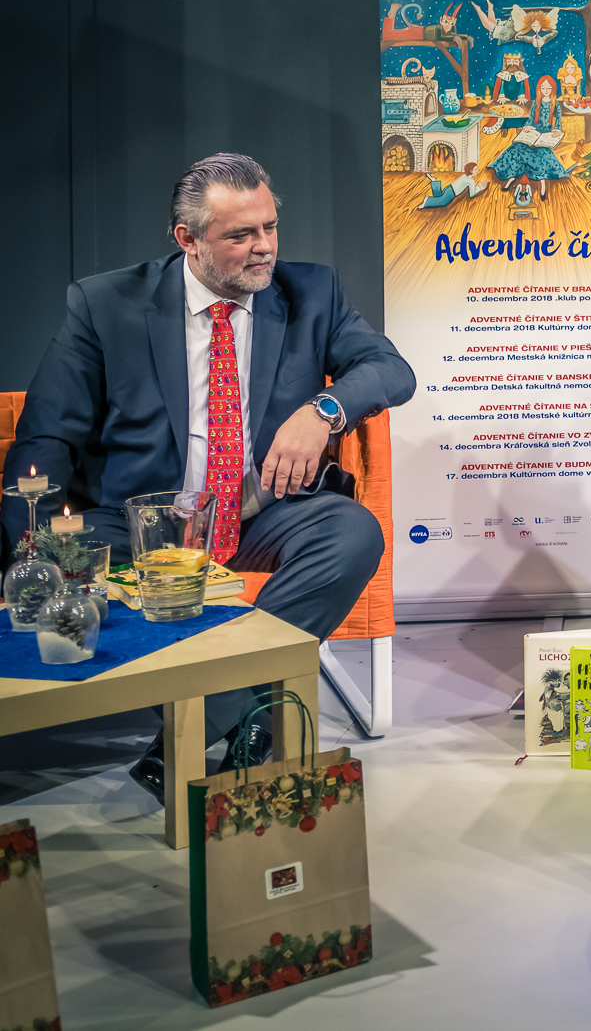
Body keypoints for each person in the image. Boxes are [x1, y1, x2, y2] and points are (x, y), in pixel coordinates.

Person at [1, 153, 415, 805]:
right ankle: (252, 721)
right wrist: (35, 543)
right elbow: (47, 434)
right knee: (57, 557)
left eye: (270, 227)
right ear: (187, 239)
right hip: (138, 521)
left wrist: (324, 411)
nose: (265, 247)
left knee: (352, 533)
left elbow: (391, 370)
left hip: (260, 513)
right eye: (241, 234)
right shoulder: (106, 304)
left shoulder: (312, 293)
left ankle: (190, 735)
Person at [489, 75, 567, 202]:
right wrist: (527, 126)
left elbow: (558, 118)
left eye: (549, 88)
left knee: (541, 154)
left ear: (552, 89)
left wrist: (557, 129)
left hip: (545, 134)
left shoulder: (555, 104)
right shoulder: (536, 102)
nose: (546, 90)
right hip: (533, 132)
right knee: (517, 148)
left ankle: (542, 183)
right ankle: (511, 177)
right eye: (543, 88)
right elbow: (530, 118)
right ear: (539, 89)